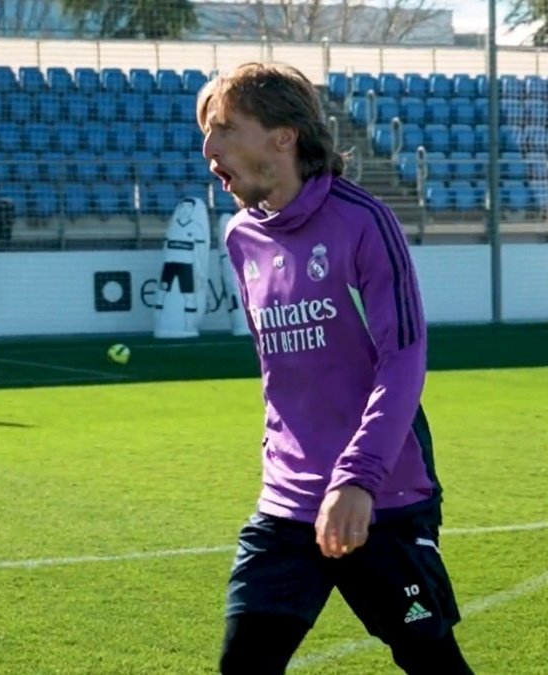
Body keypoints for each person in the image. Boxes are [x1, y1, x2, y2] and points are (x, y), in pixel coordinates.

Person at [197, 62, 472, 675]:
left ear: (283, 136)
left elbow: (403, 359)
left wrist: (358, 479)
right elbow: (281, 373)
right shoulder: (241, 237)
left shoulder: (362, 222)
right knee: (243, 665)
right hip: (287, 504)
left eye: (223, 129)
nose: (208, 149)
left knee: (433, 664)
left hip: (383, 497)